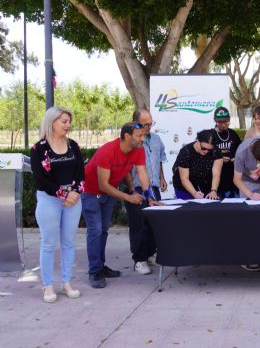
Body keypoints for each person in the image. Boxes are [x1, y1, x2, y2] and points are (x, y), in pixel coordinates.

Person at [82, 123, 157, 289]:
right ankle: (95, 272)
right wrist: (128, 197)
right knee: (95, 231)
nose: (142, 139)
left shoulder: (138, 150)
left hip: (109, 193)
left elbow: (142, 174)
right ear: (127, 136)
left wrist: (149, 196)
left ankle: (100, 266)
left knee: (103, 230)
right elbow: (103, 185)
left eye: (144, 135)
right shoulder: (107, 151)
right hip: (91, 192)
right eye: (139, 136)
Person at [30, 107, 85, 302]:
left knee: (69, 242)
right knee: (48, 244)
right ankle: (47, 286)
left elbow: (80, 172)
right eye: (64, 121)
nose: (68, 125)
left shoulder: (74, 146)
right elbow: (41, 180)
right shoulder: (39, 149)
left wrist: (76, 192)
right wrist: (64, 194)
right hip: (50, 200)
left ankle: (67, 282)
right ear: (52, 122)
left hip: (73, 200)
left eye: (69, 121)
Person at [124, 108, 167, 276]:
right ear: (135, 123)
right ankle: (139, 259)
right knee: (138, 224)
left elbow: (160, 159)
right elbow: (125, 168)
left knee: (153, 223)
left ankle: (150, 253)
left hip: (154, 186)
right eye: (145, 124)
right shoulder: (130, 141)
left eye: (151, 123)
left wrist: (162, 178)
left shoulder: (156, 139)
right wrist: (130, 190)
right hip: (136, 188)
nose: (149, 127)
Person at [233, 137, 260, 272]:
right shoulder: (242, 151)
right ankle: (248, 258)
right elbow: (237, 179)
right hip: (245, 181)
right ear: (253, 152)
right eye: (259, 161)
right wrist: (250, 194)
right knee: (248, 220)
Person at [172, 130, 224, 200]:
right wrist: (194, 193)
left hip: (207, 185)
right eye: (203, 148)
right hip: (185, 188)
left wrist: (213, 190)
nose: (206, 151)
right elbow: (184, 178)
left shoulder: (216, 151)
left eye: (209, 150)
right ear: (197, 141)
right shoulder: (186, 152)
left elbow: (216, 174)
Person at [210, 107, 242, 199]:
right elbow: (204, 154)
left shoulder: (233, 133)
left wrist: (235, 159)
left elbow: (240, 152)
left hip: (233, 177)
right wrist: (218, 160)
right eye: (220, 122)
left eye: (225, 121)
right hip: (217, 181)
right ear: (215, 121)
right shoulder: (210, 135)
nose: (223, 124)